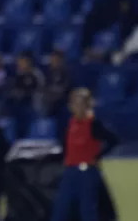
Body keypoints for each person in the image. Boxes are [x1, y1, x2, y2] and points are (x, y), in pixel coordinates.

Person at [51, 88, 118, 221]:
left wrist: (97, 157)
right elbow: (66, 144)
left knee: (87, 210)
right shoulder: (70, 123)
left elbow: (113, 140)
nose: (77, 107)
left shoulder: (93, 124)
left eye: (81, 103)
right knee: (61, 208)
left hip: (87, 171)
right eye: (75, 103)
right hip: (70, 170)